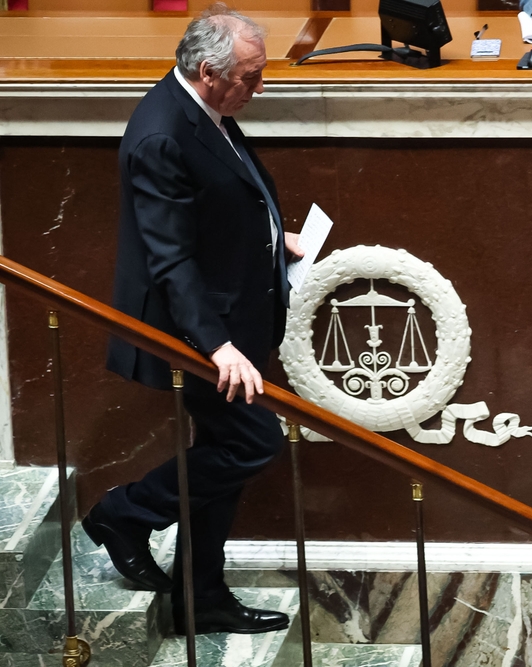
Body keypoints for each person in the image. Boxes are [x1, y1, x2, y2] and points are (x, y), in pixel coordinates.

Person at [82, 4, 305, 636]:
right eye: (251, 77)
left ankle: (199, 596)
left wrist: (272, 236)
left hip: (232, 311)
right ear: (209, 71)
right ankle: (126, 512)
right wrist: (217, 346)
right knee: (252, 441)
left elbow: (225, 195)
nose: (259, 88)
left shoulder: (204, 107)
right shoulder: (162, 134)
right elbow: (170, 259)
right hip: (196, 331)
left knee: (223, 449)